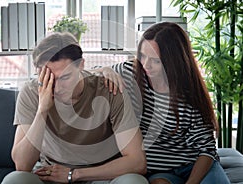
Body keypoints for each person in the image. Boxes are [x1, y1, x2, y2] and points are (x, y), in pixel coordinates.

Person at [1, 32, 148, 184]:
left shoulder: (109, 90)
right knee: (14, 180)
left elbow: (137, 161)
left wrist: (74, 174)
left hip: (102, 175)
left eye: (65, 77)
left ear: (81, 65)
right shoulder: (31, 92)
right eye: (48, 77)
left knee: (134, 181)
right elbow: (22, 165)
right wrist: (43, 110)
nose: (56, 88)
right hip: (51, 175)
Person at [98, 22, 231, 184]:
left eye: (155, 60)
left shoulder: (189, 92)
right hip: (159, 172)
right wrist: (105, 71)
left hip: (195, 164)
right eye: (142, 56)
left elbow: (206, 149)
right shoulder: (131, 73)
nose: (146, 65)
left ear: (173, 61)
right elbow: (87, 75)